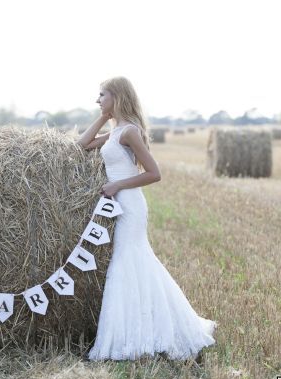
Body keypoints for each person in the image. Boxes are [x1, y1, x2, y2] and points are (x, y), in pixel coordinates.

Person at [78, 76, 216, 361]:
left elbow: (154, 173)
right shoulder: (116, 130)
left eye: (102, 95)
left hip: (130, 205)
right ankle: (142, 329)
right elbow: (83, 144)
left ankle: (139, 335)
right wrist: (102, 116)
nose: (98, 99)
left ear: (117, 96)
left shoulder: (130, 131)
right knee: (134, 262)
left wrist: (117, 186)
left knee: (127, 262)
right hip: (119, 203)